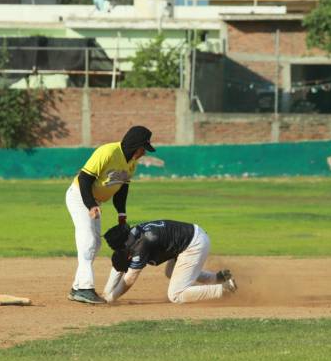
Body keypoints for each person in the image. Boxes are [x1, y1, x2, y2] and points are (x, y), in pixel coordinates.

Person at [65, 126, 155, 304]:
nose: (144, 152)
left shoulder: (132, 162)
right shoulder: (107, 151)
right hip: (80, 197)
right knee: (88, 241)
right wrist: (90, 204)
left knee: (95, 244)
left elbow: (122, 189)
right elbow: (84, 178)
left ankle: (77, 287)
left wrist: (121, 214)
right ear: (135, 145)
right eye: (143, 148)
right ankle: (84, 288)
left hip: (95, 202)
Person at [101, 220, 238, 304]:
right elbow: (120, 267)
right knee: (171, 272)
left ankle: (225, 288)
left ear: (123, 244)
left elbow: (129, 278)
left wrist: (111, 298)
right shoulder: (134, 234)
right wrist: (106, 294)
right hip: (191, 236)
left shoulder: (141, 245)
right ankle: (217, 278)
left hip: (193, 245)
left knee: (176, 295)